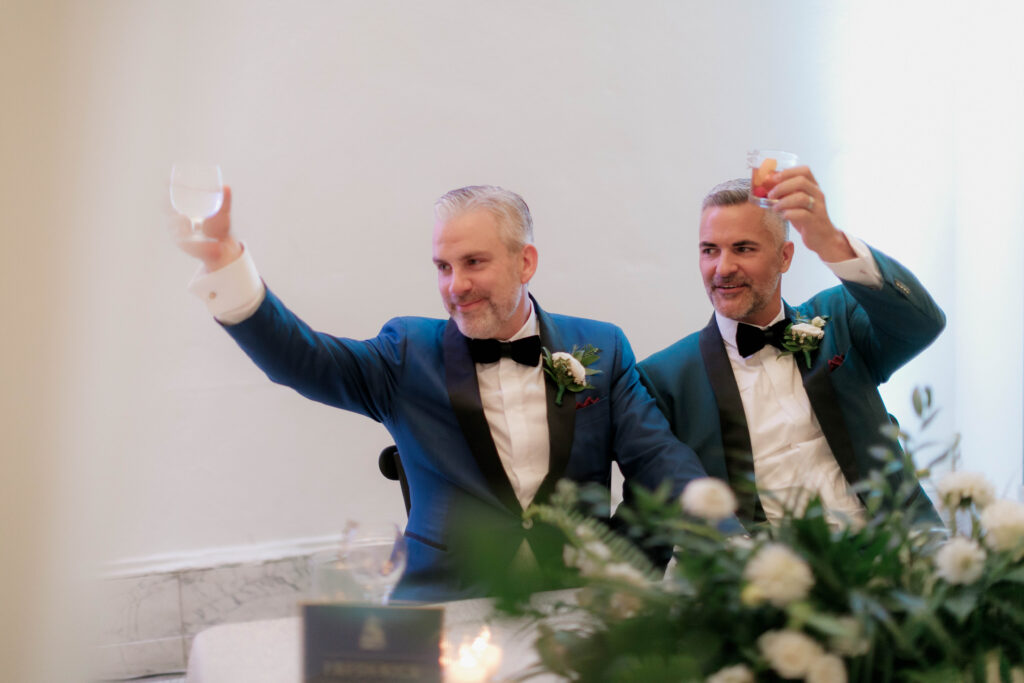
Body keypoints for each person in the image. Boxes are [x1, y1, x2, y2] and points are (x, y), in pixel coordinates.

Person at [176, 184, 721, 603]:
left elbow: (661, 462)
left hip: (577, 600)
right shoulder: (407, 352)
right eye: (443, 266)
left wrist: (722, 549)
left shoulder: (600, 347)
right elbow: (304, 360)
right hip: (447, 604)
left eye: (474, 263)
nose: (454, 286)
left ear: (524, 262)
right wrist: (227, 267)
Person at [638, 170, 944, 529]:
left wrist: (830, 241)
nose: (723, 268)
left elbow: (922, 323)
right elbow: (652, 504)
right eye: (710, 251)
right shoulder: (665, 377)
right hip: (772, 574)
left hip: (891, 549)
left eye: (743, 248)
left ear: (785, 257)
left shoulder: (838, 319)